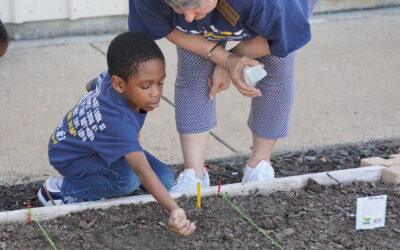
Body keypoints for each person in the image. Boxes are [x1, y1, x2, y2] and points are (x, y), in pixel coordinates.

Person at [128, 0, 319, 192]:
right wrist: (224, 58)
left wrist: (228, 64)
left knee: (276, 66)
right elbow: (165, 27)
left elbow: (285, 36)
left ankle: (259, 164)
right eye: (179, 7)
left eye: (194, 6)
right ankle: (194, 174)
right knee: (194, 70)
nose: (188, 16)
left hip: (280, 10)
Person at [37, 32, 195, 236]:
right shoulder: (118, 123)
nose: (155, 92)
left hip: (87, 143)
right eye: (146, 86)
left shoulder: (110, 80)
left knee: (164, 179)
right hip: (72, 157)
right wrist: (173, 209)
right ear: (119, 84)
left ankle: (103, 180)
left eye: (160, 82)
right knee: (128, 180)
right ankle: (61, 189)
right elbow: (142, 171)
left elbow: (90, 85)